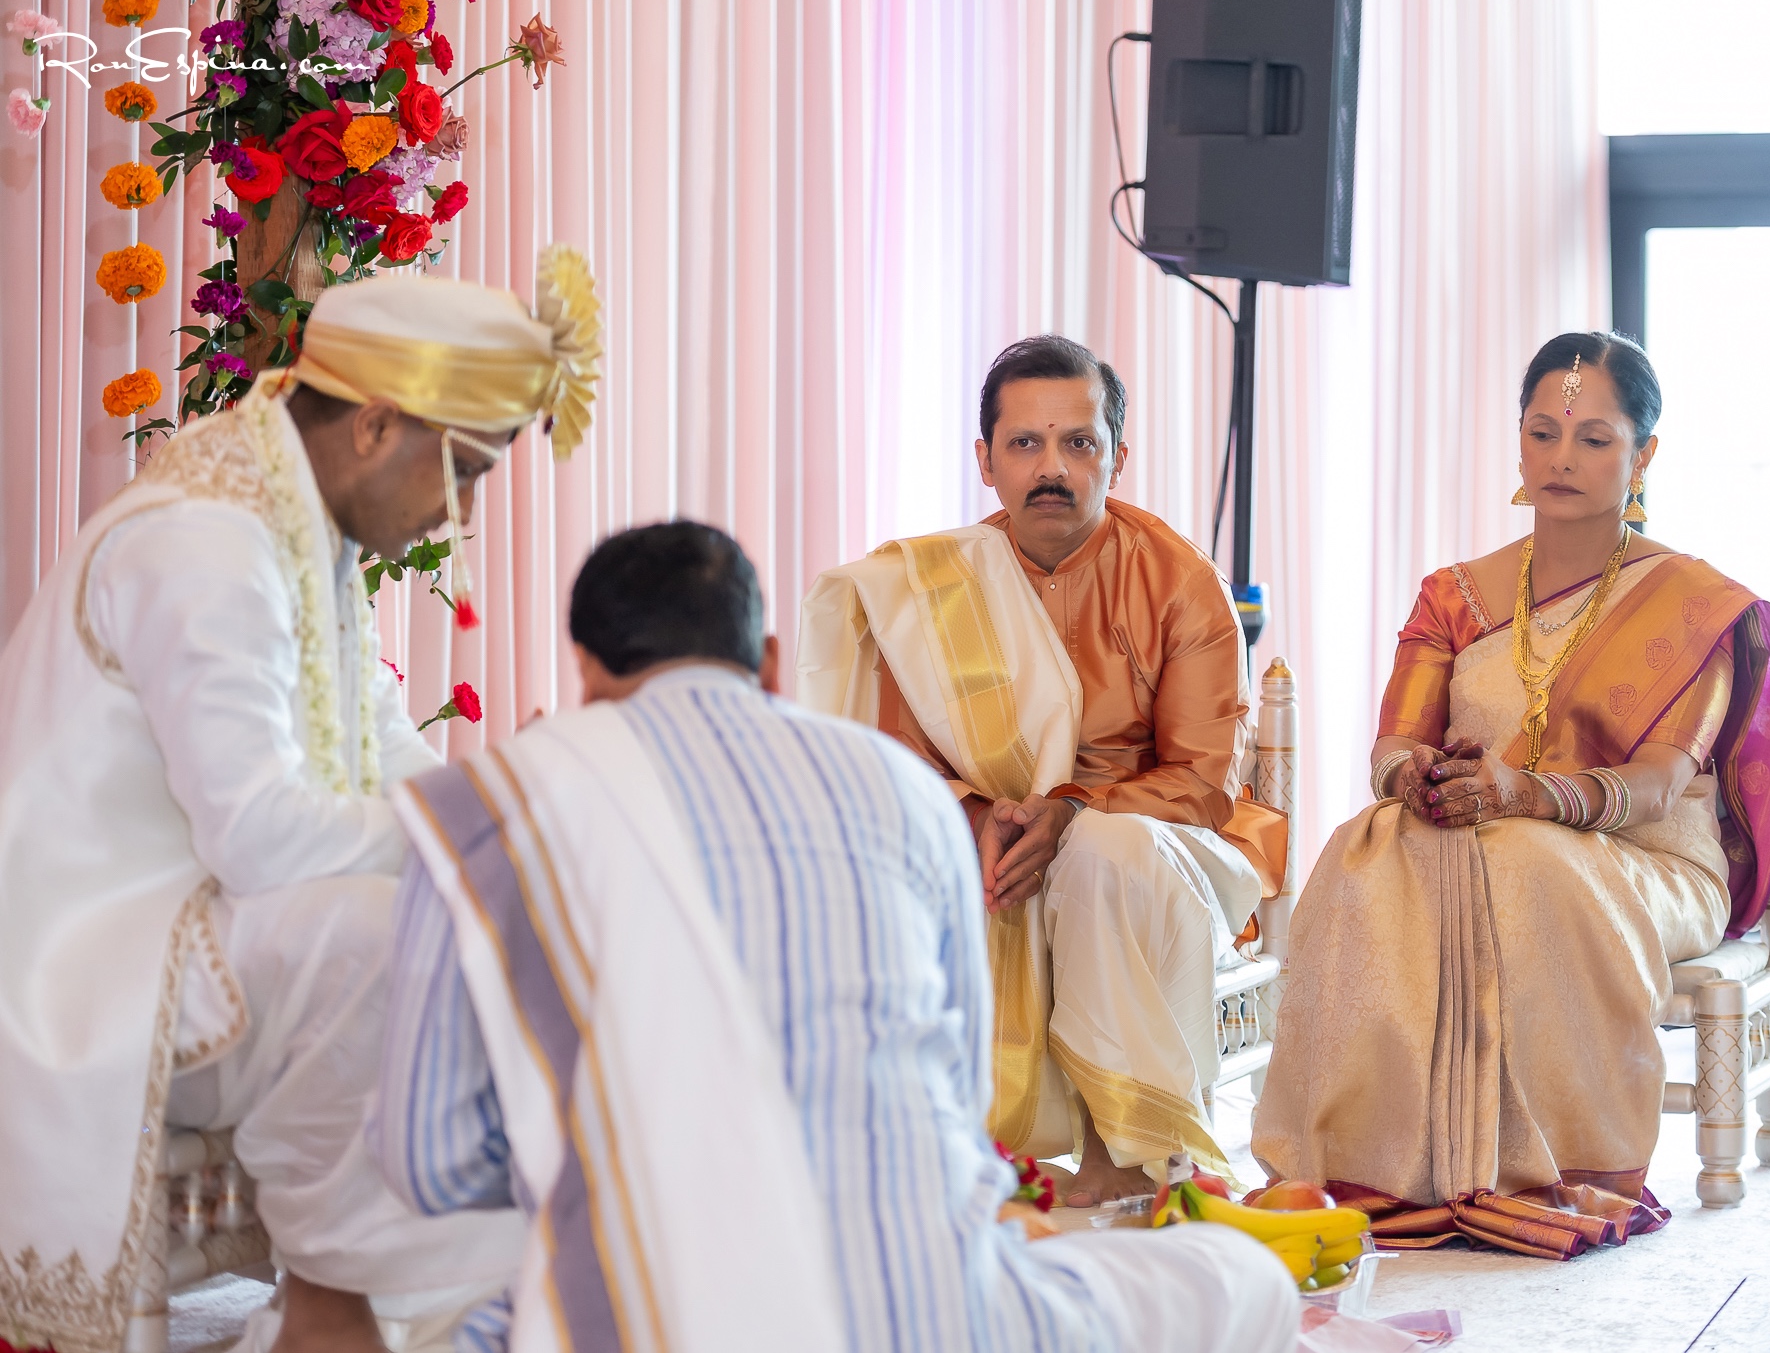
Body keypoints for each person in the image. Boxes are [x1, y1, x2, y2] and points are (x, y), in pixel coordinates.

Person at [371, 520, 1298, 1353]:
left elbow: (427, 1162)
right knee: (1244, 1278)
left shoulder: (482, 806)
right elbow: (961, 1089)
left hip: (637, 1316)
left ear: (584, 669)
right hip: (945, 1315)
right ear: (771, 661)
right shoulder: (903, 791)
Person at [0, 253, 602, 1353]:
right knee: (375, 935)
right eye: (463, 470)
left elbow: (379, 745)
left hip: (190, 919)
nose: (461, 512)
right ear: (375, 426)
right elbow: (264, 838)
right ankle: (338, 1303)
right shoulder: (207, 540)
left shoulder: (287, 509)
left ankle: (405, 1294)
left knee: (480, 915)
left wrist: (506, 832)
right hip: (88, 957)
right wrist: (477, 826)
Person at [1251, 331, 1770, 1258]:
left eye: (1593, 437)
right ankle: (1371, 1166)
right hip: (1471, 832)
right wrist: (1417, 778)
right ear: (1518, 441)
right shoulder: (1455, 596)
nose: (1561, 456)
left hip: (1649, 859)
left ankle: (1543, 1167)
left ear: (1643, 454)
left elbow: (1662, 782)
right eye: (1543, 432)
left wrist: (1528, 794)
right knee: (1364, 846)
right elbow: (1395, 742)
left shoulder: (1694, 606)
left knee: (1522, 858)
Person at [795, 335, 1287, 1208]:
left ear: (1117, 458)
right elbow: (900, 769)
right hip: (996, 842)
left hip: (1170, 849)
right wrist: (985, 821)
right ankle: (909, 1156)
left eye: (1078, 443)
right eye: (1025, 443)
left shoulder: (1183, 584)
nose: (1051, 468)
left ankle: (1127, 1148)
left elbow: (1200, 783)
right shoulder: (934, 593)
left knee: (1103, 851)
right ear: (985, 461)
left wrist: (1068, 812)